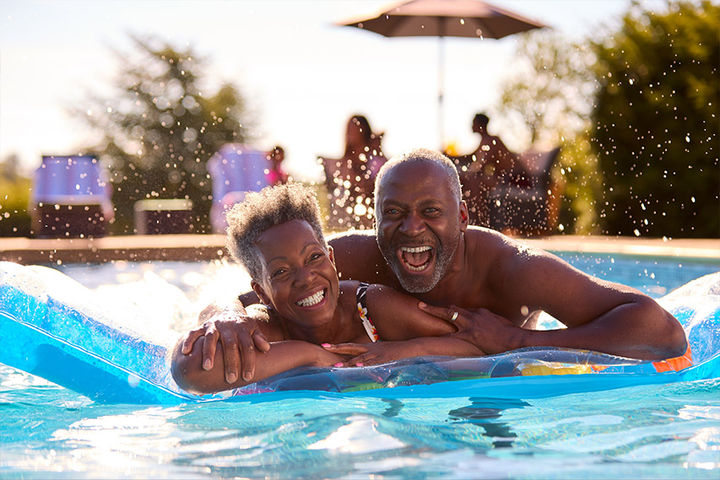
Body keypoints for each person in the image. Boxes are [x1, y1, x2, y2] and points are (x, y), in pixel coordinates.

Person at [180, 148, 688, 386]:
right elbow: (266, 278)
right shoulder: (351, 256)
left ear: (463, 217)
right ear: (376, 221)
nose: (411, 230)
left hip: (505, 384)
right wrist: (224, 316)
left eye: (431, 213)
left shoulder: (511, 270)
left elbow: (663, 333)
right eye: (394, 215)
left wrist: (518, 343)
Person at [172, 183, 482, 394]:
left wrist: (403, 351)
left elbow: (471, 347)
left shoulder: (369, 309)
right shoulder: (261, 330)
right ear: (262, 293)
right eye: (281, 271)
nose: (305, 278)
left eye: (315, 257)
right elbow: (189, 371)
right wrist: (313, 357)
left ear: (332, 259)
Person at [447, 113, 526, 226]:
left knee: (474, 180)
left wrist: (466, 173)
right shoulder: (485, 141)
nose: (471, 125)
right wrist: (448, 157)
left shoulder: (491, 141)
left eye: (473, 122)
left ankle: (480, 222)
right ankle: (468, 219)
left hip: (517, 180)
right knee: (469, 179)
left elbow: (480, 167)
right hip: (506, 179)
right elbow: (469, 157)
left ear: (480, 125)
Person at [319, 114, 387, 230]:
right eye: (349, 129)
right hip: (346, 220)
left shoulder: (375, 159)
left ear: (364, 131)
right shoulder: (344, 163)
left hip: (372, 218)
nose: (350, 132)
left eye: (355, 128)